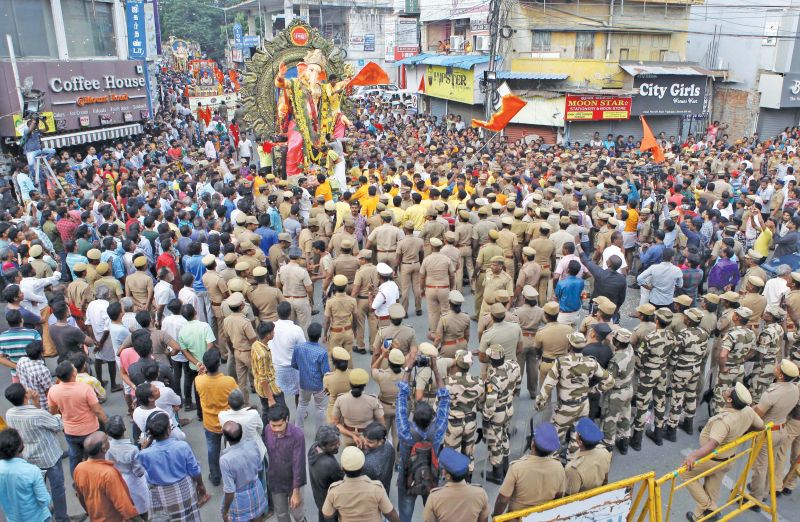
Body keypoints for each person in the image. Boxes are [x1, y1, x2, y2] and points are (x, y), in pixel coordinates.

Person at [682, 383, 764, 522]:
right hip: (728, 458)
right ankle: (700, 517)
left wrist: (693, 455)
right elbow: (761, 426)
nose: (728, 388)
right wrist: (742, 433)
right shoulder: (748, 411)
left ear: (730, 400)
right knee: (711, 487)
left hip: (713, 460)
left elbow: (712, 444)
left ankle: (710, 508)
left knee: (685, 474)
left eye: (730, 390)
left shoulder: (724, 421)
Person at [4, 383, 74, 522]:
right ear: (25, 395)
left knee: (37, 488)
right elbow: (57, 425)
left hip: (28, 456)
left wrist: (34, 403)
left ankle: (46, 510)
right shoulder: (38, 414)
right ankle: (61, 517)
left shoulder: (9, 413)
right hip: (49, 456)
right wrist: (55, 414)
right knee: (57, 488)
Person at [395, 355, 451, 522]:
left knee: (405, 516)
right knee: (432, 515)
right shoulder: (438, 429)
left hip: (407, 478)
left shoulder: (405, 431)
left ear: (414, 417)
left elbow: (401, 398)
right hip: (431, 478)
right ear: (432, 417)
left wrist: (408, 368)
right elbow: (445, 399)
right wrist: (435, 370)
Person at [137, 411, 209, 521]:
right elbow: (194, 470)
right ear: (168, 430)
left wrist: (144, 448)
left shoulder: (144, 454)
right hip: (184, 490)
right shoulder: (182, 446)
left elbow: (140, 472)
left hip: (160, 494)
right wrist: (200, 484)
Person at [749, 359, 800, 506]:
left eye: (779, 367)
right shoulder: (794, 389)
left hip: (768, 432)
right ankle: (764, 492)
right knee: (771, 463)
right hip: (782, 428)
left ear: (781, 376)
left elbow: (758, 415)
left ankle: (755, 497)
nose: (776, 367)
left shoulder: (772, 393)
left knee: (760, 466)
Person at [47, 360, 108, 475]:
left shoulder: (53, 390)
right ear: (73, 374)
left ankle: (78, 483)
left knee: (75, 458)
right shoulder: (85, 388)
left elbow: (53, 411)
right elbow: (97, 411)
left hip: (70, 431)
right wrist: (107, 424)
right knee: (93, 458)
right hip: (90, 430)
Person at [493, 422, 566, 516]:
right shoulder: (559, 467)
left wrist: (495, 516)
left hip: (518, 517)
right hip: (543, 516)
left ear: (532, 443)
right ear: (552, 450)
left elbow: (502, 500)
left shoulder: (517, 468)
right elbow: (559, 496)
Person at [72, 431, 142, 522]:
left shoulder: (79, 468)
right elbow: (123, 505)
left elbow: (81, 497)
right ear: (104, 449)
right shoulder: (108, 473)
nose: (109, 440)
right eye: (107, 440)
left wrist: (89, 512)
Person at [321, 446, 401, 522]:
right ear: (362, 466)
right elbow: (390, 513)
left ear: (342, 468)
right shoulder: (376, 488)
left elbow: (327, 515)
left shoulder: (334, 490)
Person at [194, 348, 238, 487]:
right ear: (219, 363)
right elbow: (237, 396)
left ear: (205, 365)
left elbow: (200, 379)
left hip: (210, 423)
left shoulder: (199, 381)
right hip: (228, 422)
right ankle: (234, 474)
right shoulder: (229, 381)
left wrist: (201, 373)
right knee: (232, 449)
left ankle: (215, 476)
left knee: (213, 451)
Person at [264, 404, 307, 522]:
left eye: (280, 425)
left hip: (294, 482)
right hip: (276, 482)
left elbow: (299, 464)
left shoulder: (297, 435)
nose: (276, 429)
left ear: (287, 420)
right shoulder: (267, 429)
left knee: (298, 514)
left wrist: (296, 491)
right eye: (274, 425)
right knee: (281, 515)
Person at [423, 447, 489, 522]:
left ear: (447, 475)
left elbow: (428, 520)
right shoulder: (481, 493)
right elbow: (484, 519)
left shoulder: (434, 498)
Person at [0, 428, 52, 522]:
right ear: (19, 446)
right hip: (37, 518)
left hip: (13, 518)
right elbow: (44, 500)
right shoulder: (31, 471)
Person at [220, 420, 268, 522]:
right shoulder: (253, 444)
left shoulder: (225, 460)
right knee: (259, 518)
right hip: (256, 490)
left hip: (239, 499)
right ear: (241, 433)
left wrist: (225, 511)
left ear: (225, 437)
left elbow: (230, 490)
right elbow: (259, 467)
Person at [105, 415, 150, 518]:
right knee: (142, 508)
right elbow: (139, 472)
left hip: (117, 480)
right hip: (134, 482)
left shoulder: (107, 446)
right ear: (124, 429)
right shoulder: (132, 449)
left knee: (127, 509)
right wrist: (142, 449)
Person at [292, 322, 330, 430]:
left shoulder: (298, 347)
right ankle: (319, 432)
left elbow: (293, 364)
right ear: (319, 336)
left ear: (307, 334)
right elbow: (325, 372)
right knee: (320, 409)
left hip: (304, 383)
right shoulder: (322, 352)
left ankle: (298, 429)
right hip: (318, 385)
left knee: (302, 404)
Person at [565, 418, 611, 495]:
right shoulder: (605, 452)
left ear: (579, 442)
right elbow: (605, 480)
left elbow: (569, 497)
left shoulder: (573, 470)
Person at [307, 424, 343, 521]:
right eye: (333, 445)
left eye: (337, 442)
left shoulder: (313, 449)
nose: (338, 445)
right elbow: (343, 481)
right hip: (330, 503)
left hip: (320, 499)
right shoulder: (329, 465)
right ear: (322, 445)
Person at [361, 422, 395, 493]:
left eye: (370, 442)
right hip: (384, 488)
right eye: (365, 440)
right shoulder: (389, 446)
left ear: (381, 441)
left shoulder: (368, 464)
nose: (365, 443)